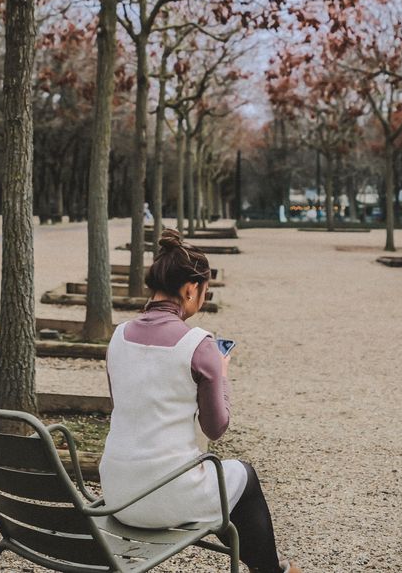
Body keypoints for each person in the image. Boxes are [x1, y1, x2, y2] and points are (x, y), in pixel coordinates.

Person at [99, 228, 302, 573]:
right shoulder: (198, 344)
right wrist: (221, 374)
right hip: (166, 494)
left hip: (117, 494)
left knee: (223, 484)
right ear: (190, 289)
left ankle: (270, 568)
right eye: (204, 292)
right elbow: (216, 426)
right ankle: (268, 570)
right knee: (243, 477)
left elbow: (125, 403)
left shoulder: (118, 337)